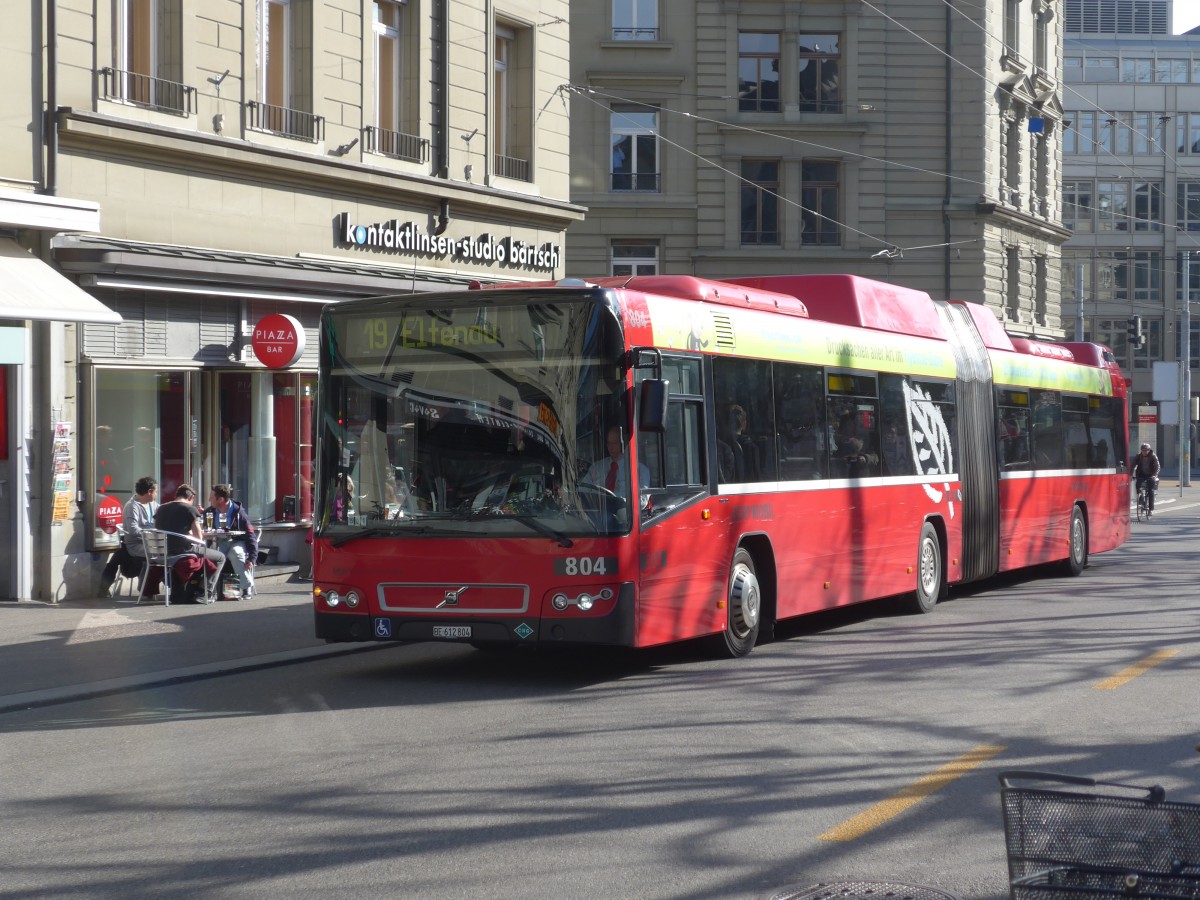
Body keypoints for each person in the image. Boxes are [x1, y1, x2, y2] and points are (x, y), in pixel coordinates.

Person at [153, 484, 225, 603]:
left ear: (177, 495)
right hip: (183, 551)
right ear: (191, 497)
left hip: (163, 553)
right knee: (220, 557)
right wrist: (190, 535)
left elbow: (159, 530)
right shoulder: (190, 509)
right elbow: (199, 537)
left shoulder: (161, 508)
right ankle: (205, 592)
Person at [98, 476, 159, 598]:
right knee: (157, 553)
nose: (157, 494)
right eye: (156, 492)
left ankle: (150, 588)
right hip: (136, 545)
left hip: (151, 542)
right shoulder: (132, 506)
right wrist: (153, 534)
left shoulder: (154, 505)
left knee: (165, 552)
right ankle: (147, 590)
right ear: (149, 492)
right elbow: (133, 530)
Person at [205, 484, 259, 599]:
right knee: (215, 555)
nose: (209, 500)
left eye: (212, 497)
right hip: (220, 542)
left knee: (235, 553)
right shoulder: (210, 512)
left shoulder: (239, 513)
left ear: (220, 499)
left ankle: (246, 588)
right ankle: (211, 591)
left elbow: (251, 535)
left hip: (238, 541)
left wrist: (252, 558)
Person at [584, 426, 649, 501]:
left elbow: (643, 499)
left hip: (624, 508)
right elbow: (582, 490)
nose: (611, 447)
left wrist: (620, 501)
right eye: (609, 443)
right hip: (596, 508)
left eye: (614, 443)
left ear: (623, 444)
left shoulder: (639, 470)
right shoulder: (596, 467)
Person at [1130, 442, 1161, 516]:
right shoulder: (1138, 456)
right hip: (1141, 474)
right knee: (1138, 486)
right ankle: (1141, 500)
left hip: (1151, 475)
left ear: (1149, 450)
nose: (1144, 452)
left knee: (1151, 491)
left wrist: (1154, 475)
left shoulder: (1153, 456)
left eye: (1146, 450)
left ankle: (1150, 509)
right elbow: (1132, 466)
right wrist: (1130, 475)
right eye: (1143, 450)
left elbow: (1157, 467)